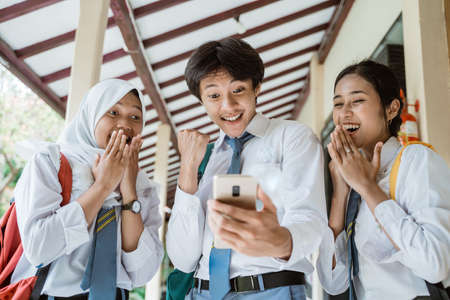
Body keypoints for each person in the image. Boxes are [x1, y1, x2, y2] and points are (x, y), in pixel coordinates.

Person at [166, 37, 327, 300]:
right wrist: (187, 169)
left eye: (238, 90)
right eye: (214, 95)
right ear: (201, 100)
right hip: (202, 293)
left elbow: (310, 218)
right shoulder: (204, 159)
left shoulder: (292, 138)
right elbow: (183, 259)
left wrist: (280, 240)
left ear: (257, 88)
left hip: (270, 290)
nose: (228, 106)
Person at [12, 79, 163, 299]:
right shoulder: (50, 163)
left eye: (135, 117)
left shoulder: (142, 187)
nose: (125, 124)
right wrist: (103, 187)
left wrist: (129, 190)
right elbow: (39, 249)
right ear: (91, 114)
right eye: (113, 112)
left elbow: (141, 274)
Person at [316, 60, 450, 299]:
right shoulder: (349, 180)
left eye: (357, 101)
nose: (344, 113)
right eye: (338, 104)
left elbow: (435, 264)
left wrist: (368, 188)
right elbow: (333, 283)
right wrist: (340, 192)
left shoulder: (415, 160)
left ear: (391, 109)